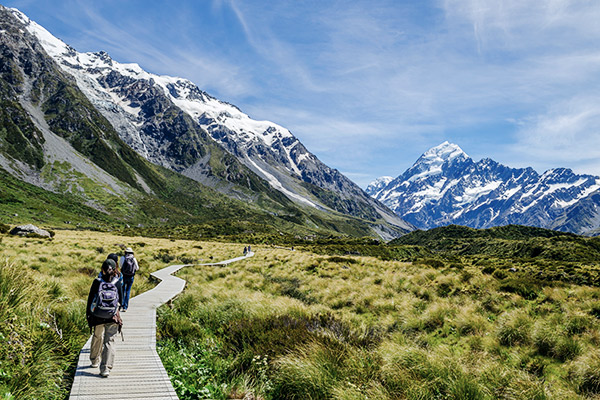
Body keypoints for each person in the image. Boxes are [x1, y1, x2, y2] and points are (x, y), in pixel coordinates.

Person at [86, 259, 123, 377]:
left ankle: (94, 361)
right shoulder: (117, 282)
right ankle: (105, 368)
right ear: (115, 269)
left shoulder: (97, 282)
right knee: (109, 341)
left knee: (97, 336)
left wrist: (88, 315)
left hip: (97, 316)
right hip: (112, 316)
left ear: (102, 270)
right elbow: (121, 301)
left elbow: (90, 299)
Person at [119, 247, 139, 312]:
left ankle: (121, 305)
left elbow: (120, 266)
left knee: (122, 290)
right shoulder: (133, 259)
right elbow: (137, 268)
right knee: (128, 291)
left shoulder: (123, 258)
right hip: (131, 277)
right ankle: (125, 307)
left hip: (124, 276)